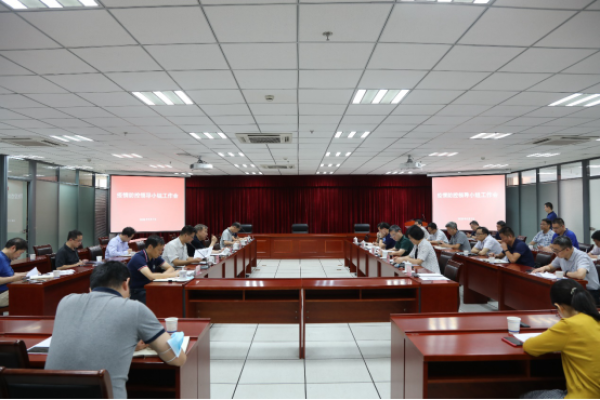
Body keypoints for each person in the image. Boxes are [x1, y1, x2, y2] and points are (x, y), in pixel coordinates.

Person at [46, 262, 187, 399]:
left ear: (91, 287)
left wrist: (128, 342)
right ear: (126, 283)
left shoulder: (65, 301)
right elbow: (177, 359)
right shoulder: (134, 308)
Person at [521, 280, 600, 400]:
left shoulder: (569, 325)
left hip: (583, 396)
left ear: (559, 307)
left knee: (527, 396)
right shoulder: (595, 318)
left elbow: (530, 347)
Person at [533, 237, 599, 305]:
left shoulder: (581, 256)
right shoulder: (562, 255)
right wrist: (543, 268)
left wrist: (565, 273)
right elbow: (551, 267)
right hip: (573, 289)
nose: (555, 253)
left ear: (567, 249)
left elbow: (580, 275)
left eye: (557, 251)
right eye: (554, 250)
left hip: (589, 292)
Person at [127, 236, 178, 304]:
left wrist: (163, 276)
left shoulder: (155, 256)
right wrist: (171, 275)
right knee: (163, 299)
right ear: (150, 247)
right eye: (159, 250)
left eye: (161, 250)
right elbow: (150, 276)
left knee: (171, 294)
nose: (160, 252)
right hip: (137, 291)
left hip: (149, 287)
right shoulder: (138, 258)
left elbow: (170, 268)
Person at [0, 238, 28, 308]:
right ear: (13, 248)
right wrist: (13, 279)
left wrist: (27, 273)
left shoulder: (6, 258)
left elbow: (10, 274)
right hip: (2, 294)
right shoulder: (1, 258)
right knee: (30, 294)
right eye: (20, 253)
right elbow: (12, 277)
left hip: (6, 291)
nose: (19, 256)